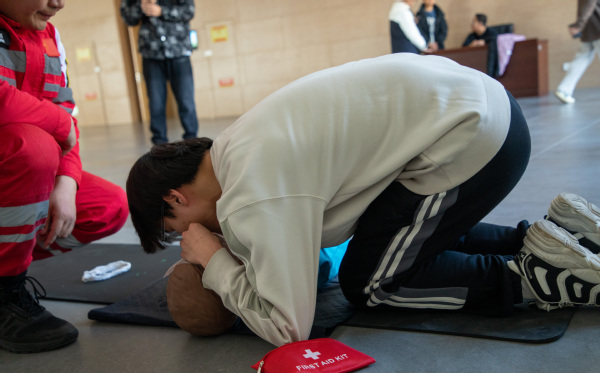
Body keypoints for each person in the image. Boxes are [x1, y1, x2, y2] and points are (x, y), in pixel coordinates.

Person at [127, 53, 600, 347]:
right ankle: (557, 237)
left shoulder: (246, 193)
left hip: (475, 140)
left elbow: (289, 328)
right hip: (486, 111)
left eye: (179, 230)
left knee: (372, 281)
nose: (193, 237)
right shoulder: (236, 146)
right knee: (394, 237)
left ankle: (535, 278)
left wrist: (214, 262)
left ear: (176, 197)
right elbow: (307, 261)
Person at [0, 0, 130, 353]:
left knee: (108, 206)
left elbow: (66, 111)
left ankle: (11, 266)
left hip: (24, 167)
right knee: (34, 147)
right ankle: (5, 293)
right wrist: (59, 124)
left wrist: (67, 181)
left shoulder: (49, 37)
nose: (58, 3)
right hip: (18, 158)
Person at [120, 0, 198, 145]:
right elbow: (128, 18)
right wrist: (141, 5)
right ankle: (159, 145)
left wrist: (162, 11)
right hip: (151, 55)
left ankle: (192, 142)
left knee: (186, 101)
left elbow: (189, 11)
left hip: (179, 52)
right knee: (156, 103)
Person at [555, 0, 600, 104]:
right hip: (596, 28)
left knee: (581, 59)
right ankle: (564, 90)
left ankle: (564, 89)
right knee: (582, 59)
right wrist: (578, 25)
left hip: (588, 30)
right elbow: (589, 3)